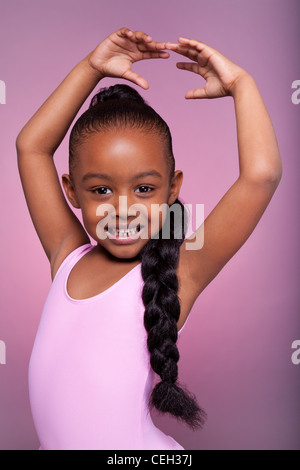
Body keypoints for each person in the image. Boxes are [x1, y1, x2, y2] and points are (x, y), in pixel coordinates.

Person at [16, 28, 282, 450]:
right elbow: (31, 146)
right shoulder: (66, 254)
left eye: (144, 189)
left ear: (172, 189)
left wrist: (242, 87)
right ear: (71, 191)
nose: (124, 208)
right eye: (101, 190)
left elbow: (261, 176)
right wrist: (91, 68)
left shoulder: (182, 270)